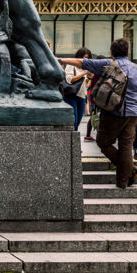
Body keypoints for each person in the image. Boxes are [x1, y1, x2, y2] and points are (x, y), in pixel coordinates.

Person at [59, 39, 137, 189]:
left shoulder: (108, 64)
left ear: (111, 52)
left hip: (113, 112)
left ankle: (130, 170)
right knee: (126, 145)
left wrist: (60, 59)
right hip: (133, 113)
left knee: (103, 142)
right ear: (127, 52)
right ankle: (123, 181)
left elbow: (81, 62)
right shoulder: (135, 68)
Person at [63, 48, 92, 131]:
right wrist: (84, 73)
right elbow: (69, 79)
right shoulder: (71, 65)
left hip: (82, 96)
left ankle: (72, 139)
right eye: (84, 57)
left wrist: (89, 78)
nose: (86, 60)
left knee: (78, 121)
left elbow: (86, 85)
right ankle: (71, 140)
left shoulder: (85, 68)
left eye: (88, 58)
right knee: (74, 121)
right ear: (79, 57)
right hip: (71, 96)